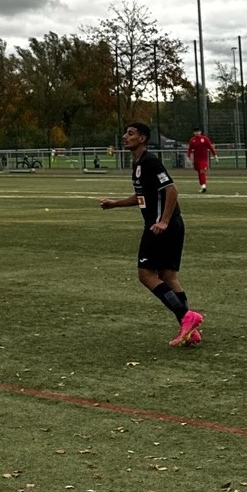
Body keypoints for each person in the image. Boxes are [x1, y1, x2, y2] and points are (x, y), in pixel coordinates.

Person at [100, 121, 204, 347]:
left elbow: (172, 190)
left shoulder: (149, 162)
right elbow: (142, 197)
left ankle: (188, 317)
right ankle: (190, 329)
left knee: (146, 275)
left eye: (131, 133)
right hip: (170, 226)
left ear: (143, 138)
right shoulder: (138, 164)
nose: (125, 137)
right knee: (168, 277)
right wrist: (115, 204)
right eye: (125, 133)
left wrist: (163, 221)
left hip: (161, 227)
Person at [187, 127, 218, 193]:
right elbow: (189, 149)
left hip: (203, 159)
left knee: (202, 171)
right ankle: (202, 187)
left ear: (200, 132)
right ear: (194, 133)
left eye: (198, 131)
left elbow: (210, 147)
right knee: (199, 173)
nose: (197, 133)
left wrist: (215, 155)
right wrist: (188, 156)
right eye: (195, 132)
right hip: (196, 160)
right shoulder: (192, 140)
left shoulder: (205, 139)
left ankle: (204, 186)